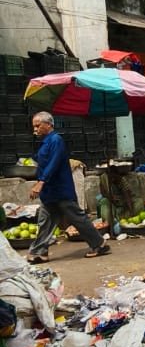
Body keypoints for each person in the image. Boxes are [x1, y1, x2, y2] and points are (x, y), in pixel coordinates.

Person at [27, 112, 110, 263]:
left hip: (60, 190)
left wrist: (41, 182)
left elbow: (54, 163)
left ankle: (99, 244)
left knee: (78, 218)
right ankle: (39, 251)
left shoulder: (56, 140)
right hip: (49, 193)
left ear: (49, 124)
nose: (35, 129)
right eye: (34, 126)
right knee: (45, 221)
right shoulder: (45, 142)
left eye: (38, 126)